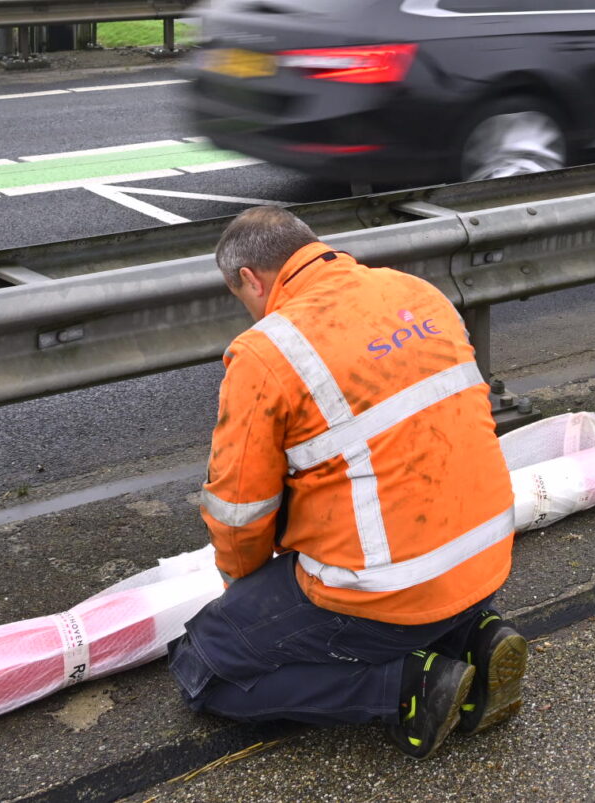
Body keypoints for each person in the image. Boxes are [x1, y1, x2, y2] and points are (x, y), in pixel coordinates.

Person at [170, 205, 527, 759]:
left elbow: (240, 514)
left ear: (249, 279)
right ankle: (474, 636)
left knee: (204, 664)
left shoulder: (268, 353)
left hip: (389, 595)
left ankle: (411, 687)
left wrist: (243, 595)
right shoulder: (419, 292)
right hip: (485, 560)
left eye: (242, 297)